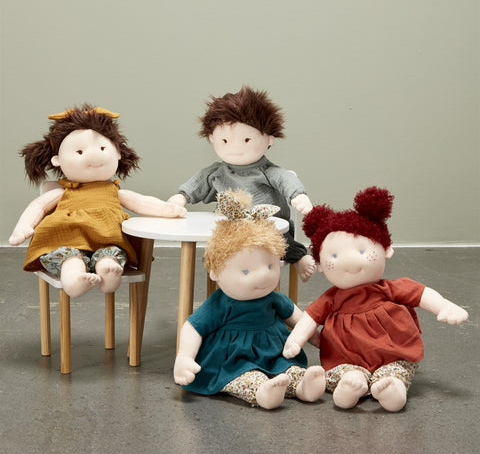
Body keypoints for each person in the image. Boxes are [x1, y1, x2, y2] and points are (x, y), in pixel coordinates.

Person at [283, 186, 468, 412]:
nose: (349, 261)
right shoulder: (331, 298)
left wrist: (444, 306)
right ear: (320, 264)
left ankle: (393, 388)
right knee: (343, 372)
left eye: (362, 251)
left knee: (397, 370)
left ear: (386, 249)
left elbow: (420, 293)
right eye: (334, 255)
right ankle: (350, 385)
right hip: (345, 357)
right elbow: (311, 317)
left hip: (392, 353)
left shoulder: (388, 289)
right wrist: (295, 340)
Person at [9, 105, 186, 298]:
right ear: (57, 160)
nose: (95, 156)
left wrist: (169, 209)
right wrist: (23, 228)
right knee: (69, 258)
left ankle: (108, 272)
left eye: (102, 148)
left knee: (110, 255)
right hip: (66, 239)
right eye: (79, 152)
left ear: (117, 153)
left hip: (108, 240)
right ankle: (74, 280)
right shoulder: (64, 191)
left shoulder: (114, 190)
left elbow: (141, 202)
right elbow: (38, 206)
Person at [174, 189, 325, 409]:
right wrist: (184, 357)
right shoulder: (220, 303)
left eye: (271, 266)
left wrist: (315, 337)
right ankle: (261, 392)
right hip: (233, 358)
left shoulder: (273, 298)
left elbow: (297, 318)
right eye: (246, 271)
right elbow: (193, 327)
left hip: (274, 353)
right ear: (215, 272)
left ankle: (302, 387)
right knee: (245, 377)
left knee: (289, 369)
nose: (264, 276)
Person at [168, 86, 315, 281]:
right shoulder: (216, 173)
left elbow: (286, 179)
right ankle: (221, 267)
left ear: (269, 139)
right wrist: (181, 197)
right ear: (212, 138)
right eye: (225, 141)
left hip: (266, 225)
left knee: (279, 237)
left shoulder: (268, 172)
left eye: (246, 140)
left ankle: (299, 256)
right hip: (231, 229)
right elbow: (197, 184)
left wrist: (298, 195)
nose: (235, 148)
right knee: (217, 240)